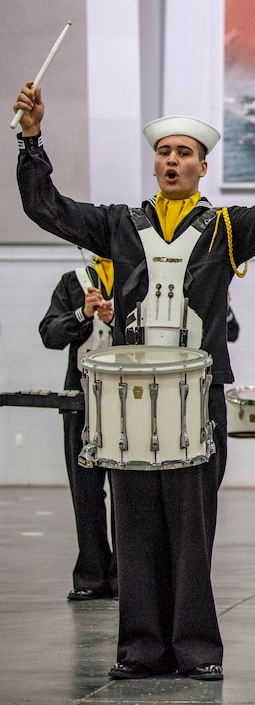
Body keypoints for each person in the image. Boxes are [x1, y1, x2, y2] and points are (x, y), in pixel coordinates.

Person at [14, 79, 255, 681]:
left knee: (192, 528)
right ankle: (139, 649)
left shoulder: (226, 228)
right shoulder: (118, 225)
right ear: (155, 163)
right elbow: (44, 207)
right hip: (129, 400)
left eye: (184, 154)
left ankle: (197, 650)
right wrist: (31, 140)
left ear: (203, 167)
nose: (172, 161)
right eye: (165, 153)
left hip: (198, 397)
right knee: (132, 527)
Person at [38, 255, 117, 602]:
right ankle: (92, 575)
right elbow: (50, 334)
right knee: (85, 493)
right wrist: (81, 315)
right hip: (81, 403)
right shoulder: (73, 281)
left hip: (128, 402)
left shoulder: (139, 277)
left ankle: (126, 577)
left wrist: (117, 321)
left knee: (128, 497)